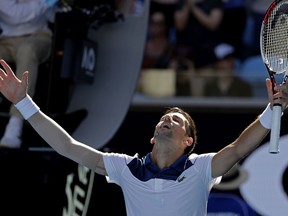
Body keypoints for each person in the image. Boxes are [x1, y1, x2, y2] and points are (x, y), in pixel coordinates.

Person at [0, 59, 287, 215]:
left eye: (177, 120)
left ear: (188, 141)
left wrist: (271, 111)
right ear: (152, 138)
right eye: (164, 117)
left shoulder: (200, 169)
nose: (167, 119)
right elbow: (67, 146)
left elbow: (238, 149)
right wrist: (23, 102)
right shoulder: (126, 169)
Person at [0, 0, 59, 148]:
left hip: (38, 37)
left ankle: (16, 123)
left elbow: (52, 15)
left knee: (27, 50)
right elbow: (13, 15)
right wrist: (44, 5)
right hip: (7, 40)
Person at [173, 0, 224, 96]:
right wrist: (187, 5)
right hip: (185, 60)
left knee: (198, 90)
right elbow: (180, 25)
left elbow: (213, 24)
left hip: (206, 60)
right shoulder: (183, 3)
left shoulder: (214, 2)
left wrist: (193, 7)